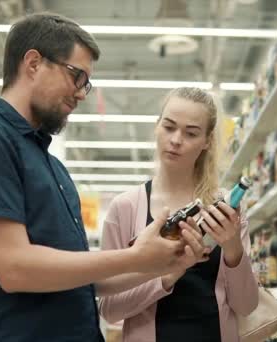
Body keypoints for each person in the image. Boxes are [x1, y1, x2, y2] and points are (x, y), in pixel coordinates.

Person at [0, 13, 207, 342]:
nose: (82, 93)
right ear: (34, 63)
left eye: (87, 83)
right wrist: (134, 256)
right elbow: (14, 267)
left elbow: (82, 279)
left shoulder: (52, 166)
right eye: (76, 76)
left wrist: (161, 263)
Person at [99, 87, 259, 342]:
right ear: (157, 127)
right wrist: (168, 274)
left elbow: (246, 306)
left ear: (207, 142)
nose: (175, 139)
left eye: (191, 132)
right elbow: (109, 309)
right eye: (169, 126)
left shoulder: (226, 209)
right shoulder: (125, 208)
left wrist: (232, 248)